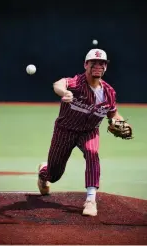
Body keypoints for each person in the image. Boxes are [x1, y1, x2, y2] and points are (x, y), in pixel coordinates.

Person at [37, 48, 126, 216]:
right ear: (86, 64)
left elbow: (113, 113)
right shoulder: (76, 83)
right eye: (94, 63)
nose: (98, 66)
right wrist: (64, 92)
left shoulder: (109, 92)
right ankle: (44, 172)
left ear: (106, 67)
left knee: (92, 153)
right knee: (54, 175)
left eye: (102, 63)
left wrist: (119, 121)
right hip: (65, 131)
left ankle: (91, 200)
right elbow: (59, 84)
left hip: (89, 132)